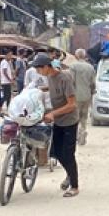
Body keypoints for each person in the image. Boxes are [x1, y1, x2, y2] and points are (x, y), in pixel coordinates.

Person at [34, 54, 81, 197]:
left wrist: (52, 114)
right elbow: (52, 89)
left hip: (69, 121)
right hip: (59, 121)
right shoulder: (49, 77)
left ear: (47, 67)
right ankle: (69, 174)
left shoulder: (64, 78)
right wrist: (38, 90)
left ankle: (75, 186)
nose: (38, 72)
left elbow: (72, 105)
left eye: (39, 68)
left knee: (68, 153)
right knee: (56, 153)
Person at [69, 49, 97, 146]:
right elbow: (93, 83)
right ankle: (83, 130)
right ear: (84, 56)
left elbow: (71, 81)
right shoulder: (90, 67)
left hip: (75, 96)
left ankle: (77, 134)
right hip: (87, 95)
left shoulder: (73, 66)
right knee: (84, 117)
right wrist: (92, 92)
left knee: (75, 117)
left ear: (76, 56)